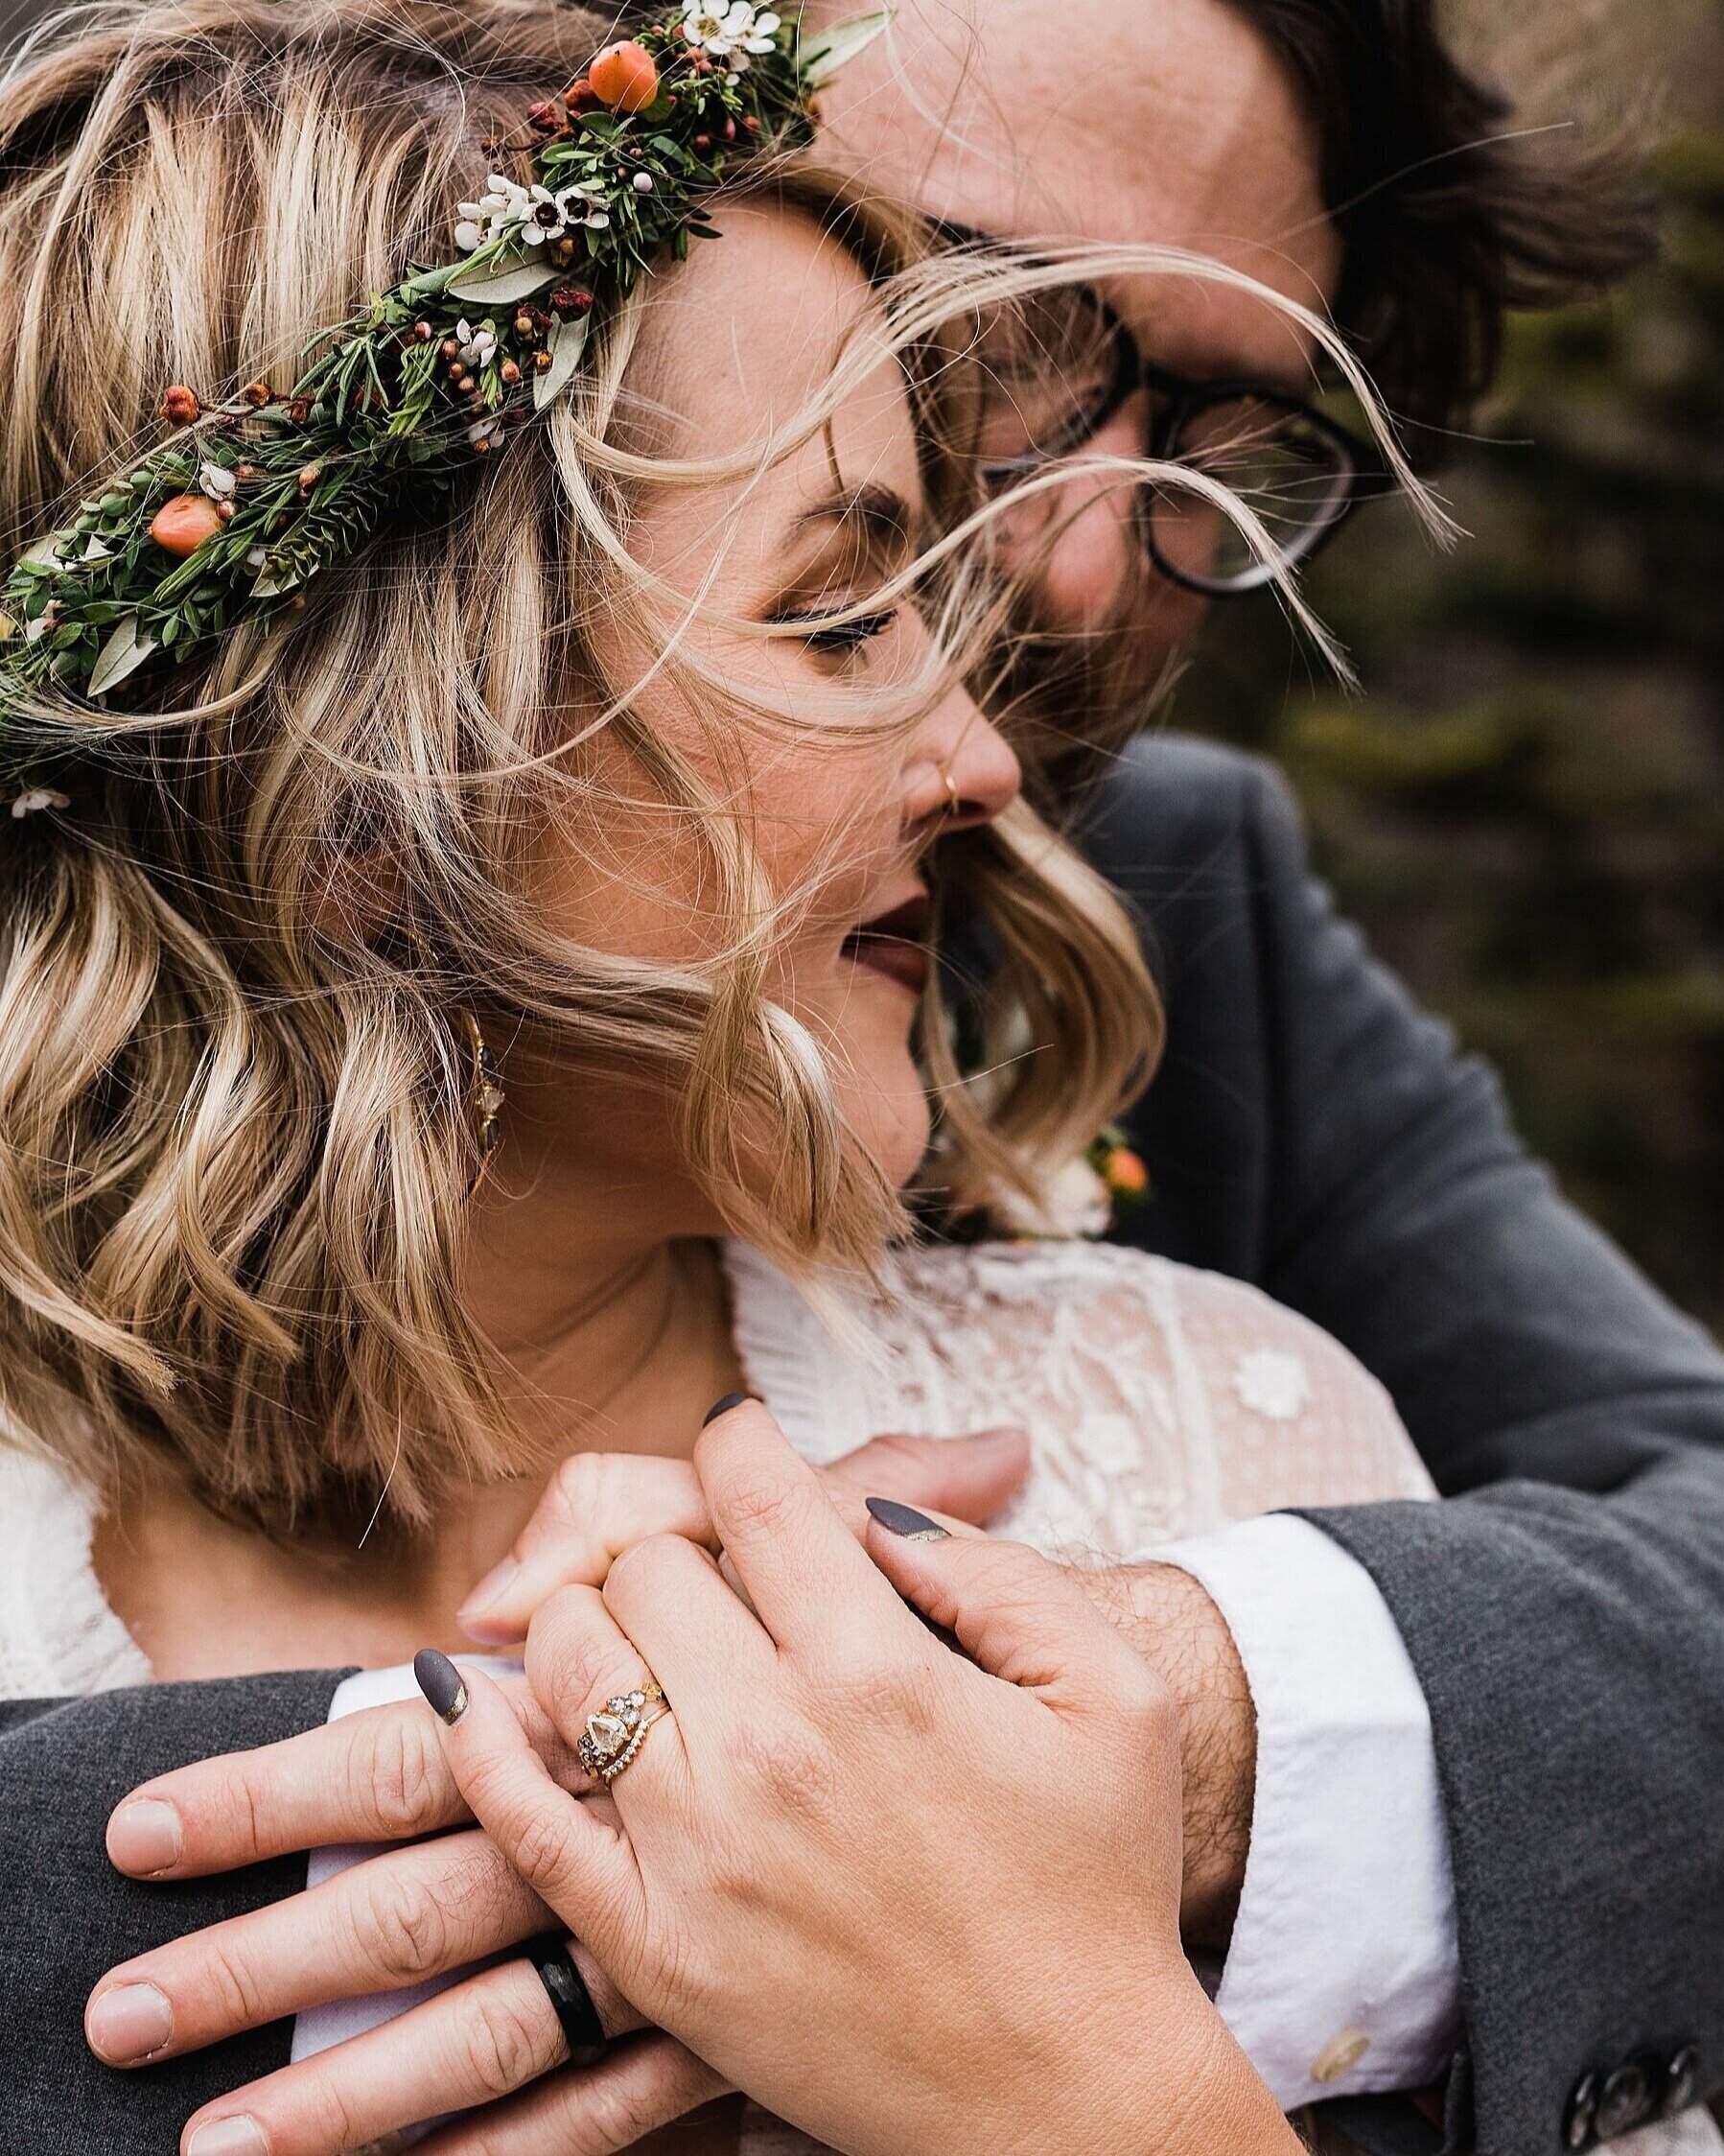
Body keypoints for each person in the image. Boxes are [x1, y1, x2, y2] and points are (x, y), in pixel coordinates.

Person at [2, 2, 1718, 2154]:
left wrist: (1124, 1750)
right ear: (356, 772)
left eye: (1207, 429)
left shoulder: (1207, 1341)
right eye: (1011, 330)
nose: (1070, 578)